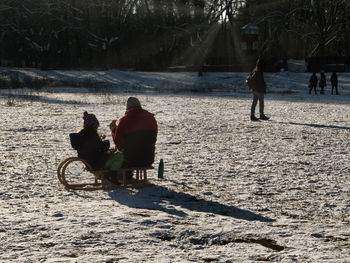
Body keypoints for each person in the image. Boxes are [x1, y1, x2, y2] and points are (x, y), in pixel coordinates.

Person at [109, 97, 158, 178]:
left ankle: (121, 176)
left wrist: (114, 130)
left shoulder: (124, 120)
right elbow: (154, 138)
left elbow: (118, 143)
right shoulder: (151, 119)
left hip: (130, 160)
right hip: (148, 159)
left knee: (118, 152)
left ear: (127, 108)